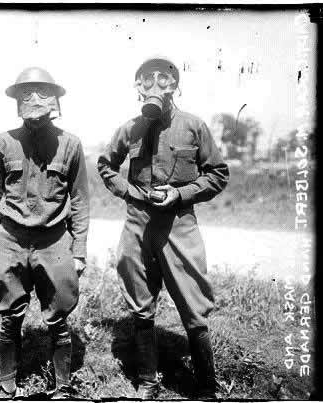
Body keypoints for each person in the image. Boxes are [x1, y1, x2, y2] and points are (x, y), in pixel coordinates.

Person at [97, 56, 229, 399]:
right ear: (138, 88)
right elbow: (105, 164)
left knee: (193, 304)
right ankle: (148, 381)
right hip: (138, 221)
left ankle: (205, 388)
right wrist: (132, 193)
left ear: (176, 85)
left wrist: (181, 193)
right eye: (146, 80)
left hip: (179, 224)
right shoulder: (130, 129)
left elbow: (218, 174)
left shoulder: (193, 126)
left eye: (164, 79)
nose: (156, 86)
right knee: (140, 299)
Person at [0, 67, 89, 399]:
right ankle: (5, 386)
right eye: (26, 94)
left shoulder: (70, 144)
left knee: (58, 317)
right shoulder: (3, 142)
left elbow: (81, 200)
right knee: (10, 318)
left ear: (55, 100)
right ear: (17, 103)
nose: (35, 100)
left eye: (42, 92)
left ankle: (64, 387)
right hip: (10, 240)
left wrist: (79, 250)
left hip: (54, 241)